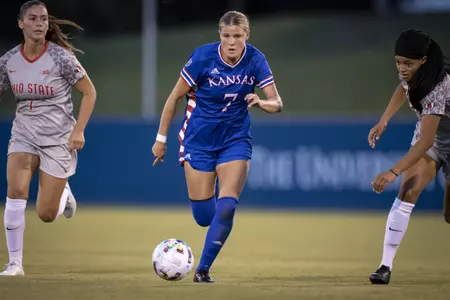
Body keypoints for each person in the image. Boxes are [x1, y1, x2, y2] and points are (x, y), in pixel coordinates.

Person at [152, 11, 283, 283]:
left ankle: (202, 270)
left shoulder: (256, 60)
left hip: (235, 139)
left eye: (237, 36)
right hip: (198, 140)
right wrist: (161, 139)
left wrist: (260, 103)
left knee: (227, 208)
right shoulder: (202, 58)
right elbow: (174, 98)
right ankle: (214, 219)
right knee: (204, 217)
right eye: (226, 36)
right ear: (220, 36)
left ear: (247, 35)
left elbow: (277, 103)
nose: (232, 42)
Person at [0, 1, 96, 276]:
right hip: (23, 133)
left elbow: (89, 92)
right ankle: (15, 263)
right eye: (33, 18)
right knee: (16, 191)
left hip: (57, 138)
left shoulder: (60, 57)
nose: (40, 23)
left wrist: (78, 130)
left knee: (45, 214)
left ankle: (63, 194)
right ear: (21, 24)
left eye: (43, 18)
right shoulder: (8, 61)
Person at [368, 28, 450, 284]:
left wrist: (392, 171)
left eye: (408, 63)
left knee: (449, 215)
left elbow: (424, 141)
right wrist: (384, 120)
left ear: (424, 61)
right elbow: (403, 89)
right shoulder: (410, 75)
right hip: (435, 140)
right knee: (407, 192)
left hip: (431, 138)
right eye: (398, 62)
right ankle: (385, 266)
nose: (402, 68)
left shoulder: (439, 84)